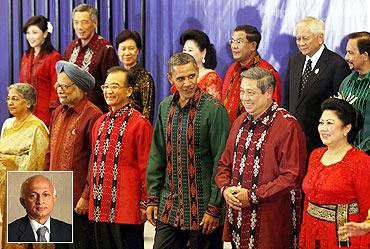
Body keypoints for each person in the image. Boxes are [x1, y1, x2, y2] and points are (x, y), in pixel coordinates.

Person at [146, 52, 230, 249]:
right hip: (170, 207)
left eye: (192, 76)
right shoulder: (164, 107)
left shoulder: (215, 109)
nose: (187, 83)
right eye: (180, 78)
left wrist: (214, 208)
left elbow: (222, 162)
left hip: (203, 210)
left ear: (198, 73)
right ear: (170, 78)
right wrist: (152, 198)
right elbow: (157, 155)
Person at [216, 67, 307, 249]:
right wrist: (225, 189)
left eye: (251, 92)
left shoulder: (288, 125)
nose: (245, 98)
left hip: (271, 221)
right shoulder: (240, 121)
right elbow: (224, 164)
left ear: (269, 93)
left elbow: (291, 176)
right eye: (242, 91)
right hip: (239, 219)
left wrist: (253, 196)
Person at [87, 66, 153, 249]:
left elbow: (147, 168)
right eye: (106, 86)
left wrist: (145, 203)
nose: (109, 91)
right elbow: (94, 162)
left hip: (127, 209)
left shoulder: (141, 124)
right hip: (100, 206)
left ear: (129, 91)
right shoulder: (99, 123)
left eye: (115, 86)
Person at [299, 98, 370, 248]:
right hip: (312, 235)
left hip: (343, 239)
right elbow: (308, 203)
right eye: (321, 123)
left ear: (346, 128)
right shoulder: (315, 155)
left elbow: (367, 210)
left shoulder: (360, 161)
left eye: (329, 123)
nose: (323, 128)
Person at [46, 61, 102, 249]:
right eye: (57, 86)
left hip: (78, 201)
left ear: (80, 89)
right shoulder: (57, 113)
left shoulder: (93, 115)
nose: (59, 90)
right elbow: (49, 153)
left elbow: (96, 161)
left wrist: (86, 196)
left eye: (64, 86)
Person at [283, 16, 351, 154]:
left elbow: (340, 107)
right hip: (292, 139)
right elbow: (288, 97)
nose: (301, 43)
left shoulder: (336, 64)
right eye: (298, 39)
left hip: (320, 141)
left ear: (320, 38)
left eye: (305, 38)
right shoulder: (295, 60)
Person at [0, 83, 49, 249]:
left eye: (15, 99)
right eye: (9, 99)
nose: (10, 102)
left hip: (24, 188)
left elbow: (38, 163)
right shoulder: (7, 124)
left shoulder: (37, 127)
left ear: (28, 103)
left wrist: (13, 163)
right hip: (4, 184)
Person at [64, 3, 119, 112]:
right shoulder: (70, 47)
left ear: (95, 23)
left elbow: (111, 85)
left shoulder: (105, 49)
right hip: (71, 110)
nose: (79, 27)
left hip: (95, 112)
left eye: (84, 22)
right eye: (76, 22)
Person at [222, 24, 281, 124]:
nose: (234, 46)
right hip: (229, 132)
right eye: (232, 41)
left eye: (239, 42)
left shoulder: (267, 73)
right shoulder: (232, 68)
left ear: (253, 45)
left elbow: (272, 111)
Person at [19, 15, 63, 126]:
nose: (30, 37)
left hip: (45, 114)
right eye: (28, 33)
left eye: (34, 32)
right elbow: (21, 85)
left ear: (45, 34)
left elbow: (57, 88)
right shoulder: (26, 57)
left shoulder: (54, 57)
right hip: (26, 113)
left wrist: (54, 114)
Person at [8, 175, 72, 242]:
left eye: (45, 195)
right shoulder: (9, 232)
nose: (40, 201)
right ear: (23, 202)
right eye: (33, 196)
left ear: (54, 199)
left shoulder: (69, 230)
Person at [339, 31, 370, 154]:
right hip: (347, 154)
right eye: (347, 52)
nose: (346, 57)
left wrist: (359, 153)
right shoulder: (346, 82)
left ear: (365, 56)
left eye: (351, 53)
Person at [170, 29, 222, 100]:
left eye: (190, 50)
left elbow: (214, 107)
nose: (186, 54)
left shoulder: (211, 77)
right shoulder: (178, 75)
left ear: (203, 52)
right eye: (184, 50)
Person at [115, 29, 155, 122]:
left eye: (131, 48)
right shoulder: (115, 76)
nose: (127, 53)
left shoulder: (145, 77)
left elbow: (147, 111)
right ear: (117, 51)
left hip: (136, 127)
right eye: (123, 49)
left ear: (138, 51)